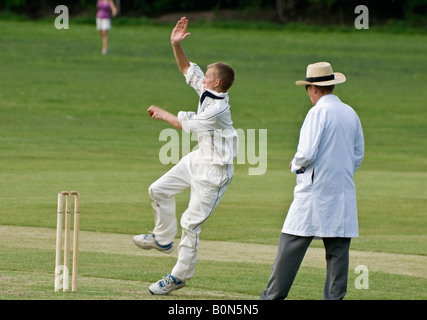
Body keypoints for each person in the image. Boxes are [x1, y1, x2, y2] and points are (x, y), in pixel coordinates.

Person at [133, 17, 238, 295]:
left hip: (215, 173)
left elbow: (185, 125)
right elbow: (186, 69)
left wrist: (163, 113)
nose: (202, 78)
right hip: (199, 158)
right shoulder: (207, 89)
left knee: (190, 224)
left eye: (207, 75)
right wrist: (175, 43)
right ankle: (163, 239)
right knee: (158, 190)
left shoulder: (217, 109)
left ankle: (178, 276)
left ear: (216, 82)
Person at [260, 62, 364, 300]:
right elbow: (357, 154)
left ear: (313, 89)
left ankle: (271, 297)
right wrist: (340, 172)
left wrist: (295, 165)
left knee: (291, 244)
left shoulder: (317, 112)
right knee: (338, 252)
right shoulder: (350, 113)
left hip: (315, 191)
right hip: (342, 191)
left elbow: (306, 152)